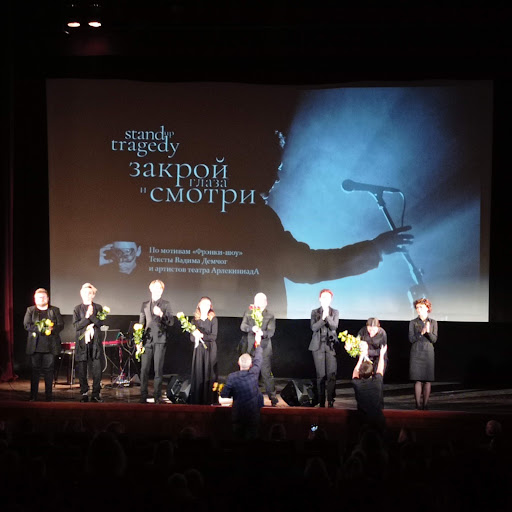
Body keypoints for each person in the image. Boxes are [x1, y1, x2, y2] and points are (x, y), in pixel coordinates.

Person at [23, 288, 64, 402]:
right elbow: (27, 325)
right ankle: (33, 396)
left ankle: (49, 396)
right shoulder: (30, 310)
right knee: (34, 371)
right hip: (35, 346)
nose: (41, 299)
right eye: (38, 297)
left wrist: (52, 329)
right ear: (35, 299)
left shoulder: (54, 310)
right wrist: (42, 328)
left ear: (48, 298)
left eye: (43, 297)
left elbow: (61, 325)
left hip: (50, 346)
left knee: (49, 371)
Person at [219, 338, 264, 440]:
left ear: (238, 363)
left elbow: (224, 395)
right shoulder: (254, 373)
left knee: (237, 441)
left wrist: (232, 394)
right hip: (253, 416)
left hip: (238, 416)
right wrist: (258, 343)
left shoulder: (232, 377)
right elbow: (258, 358)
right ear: (251, 365)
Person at [139, 280, 174, 403]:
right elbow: (141, 323)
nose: (157, 290)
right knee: (144, 369)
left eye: (160, 288)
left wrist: (161, 314)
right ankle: (143, 395)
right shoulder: (145, 304)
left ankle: (157, 396)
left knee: (158, 370)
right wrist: (138, 341)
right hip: (147, 340)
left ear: (162, 290)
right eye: (155, 287)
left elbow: (171, 322)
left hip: (160, 339)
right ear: (150, 289)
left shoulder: (166, 304)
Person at [240, 292, 278, 406]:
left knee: (266, 373)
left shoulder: (270, 315)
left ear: (266, 303)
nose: (259, 303)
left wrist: (262, 333)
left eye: (262, 301)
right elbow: (243, 326)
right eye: (257, 301)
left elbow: (271, 332)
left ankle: (272, 397)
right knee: (249, 372)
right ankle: (248, 395)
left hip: (264, 347)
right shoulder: (249, 312)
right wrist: (252, 328)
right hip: (251, 347)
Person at [73, 283, 106, 402]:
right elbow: (76, 326)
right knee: (82, 368)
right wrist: (87, 317)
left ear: (93, 295)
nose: (87, 295)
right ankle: (84, 393)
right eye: (85, 293)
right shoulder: (77, 308)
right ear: (81, 294)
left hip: (95, 342)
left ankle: (96, 393)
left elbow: (100, 323)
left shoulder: (98, 307)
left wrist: (91, 316)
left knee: (97, 369)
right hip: (82, 343)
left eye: (90, 293)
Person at [309, 289, 339, 407]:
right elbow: (314, 327)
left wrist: (327, 316)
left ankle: (330, 399)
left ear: (331, 299)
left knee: (331, 374)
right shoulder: (314, 312)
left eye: (328, 297)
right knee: (320, 375)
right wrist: (322, 318)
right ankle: (321, 400)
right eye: (323, 297)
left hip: (330, 345)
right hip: (318, 346)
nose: (326, 299)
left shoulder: (335, 312)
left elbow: (334, 326)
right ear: (320, 299)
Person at [409, 298, 438, 410]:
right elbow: (411, 339)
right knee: (417, 379)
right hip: (416, 351)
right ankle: (417, 405)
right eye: (417, 307)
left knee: (427, 379)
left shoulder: (433, 322)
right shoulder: (413, 322)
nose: (418, 309)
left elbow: (434, 339)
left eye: (421, 307)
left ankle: (425, 405)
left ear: (427, 308)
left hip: (428, 352)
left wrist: (428, 332)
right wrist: (421, 333)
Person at [188, 296, 218, 405]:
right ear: (199, 306)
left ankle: (210, 399)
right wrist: (196, 336)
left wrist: (202, 336)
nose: (205, 306)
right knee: (199, 372)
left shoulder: (213, 319)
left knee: (210, 373)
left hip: (210, 349)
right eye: (203, 304)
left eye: (208, 305)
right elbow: (191, 338)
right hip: (199, 350)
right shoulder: (194, 321)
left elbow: (213, 336)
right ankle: (198, 398)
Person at [352, 341, 388, 429]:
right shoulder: (377, 382)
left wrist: (361, 357)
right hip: (377, 420)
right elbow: (380, 369)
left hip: (362, 420)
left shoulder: (357, 384)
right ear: (372, 372)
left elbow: (355, 371)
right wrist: (382, 355)